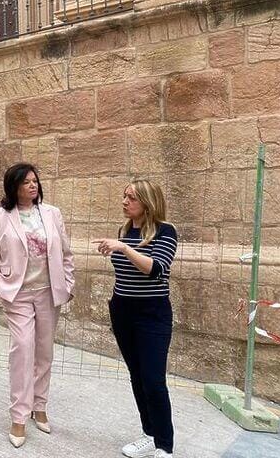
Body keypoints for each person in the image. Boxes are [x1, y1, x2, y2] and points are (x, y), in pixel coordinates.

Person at [0, 163, 75, 448]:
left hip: (49, 292)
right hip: (18, 293)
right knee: (23, 350)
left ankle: (40, 406)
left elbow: (66, 252)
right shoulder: (1, 216)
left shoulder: (52, 213)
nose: (32, 186)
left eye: (35, 181)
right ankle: (19, 417)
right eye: (26, 182)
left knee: (44, 352)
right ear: (14, 187)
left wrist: (68, 283)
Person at [92, 180, 178, 458]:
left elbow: (155, 270)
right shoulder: (125, 230)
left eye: (131, 198)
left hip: (153, 314)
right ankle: (149, 434)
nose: (124, 202)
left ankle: (165, 445)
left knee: (153, 379)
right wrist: (118, 246)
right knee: (137, 376)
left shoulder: (166, 232)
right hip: (123, 310)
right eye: (124, 196)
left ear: (147, 202)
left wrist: (124, 248)